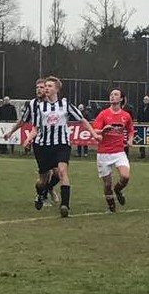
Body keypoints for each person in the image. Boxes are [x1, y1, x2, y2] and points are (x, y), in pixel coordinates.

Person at [22, 76, 100, 217]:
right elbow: (35, 128)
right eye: (45, 86)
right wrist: (28, 139)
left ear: (57, 89)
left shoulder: (66, 105)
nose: (46, 88)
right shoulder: (39, 107)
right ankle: (41, 193)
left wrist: (94, 134)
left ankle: (65, 205)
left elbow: (82, 120)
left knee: (62, 172)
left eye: (50, 86)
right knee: (42, 180)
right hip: (43, 146)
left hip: (61, 144)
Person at [4, 78, 61, 205]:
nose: (40, 90)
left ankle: (49, 188)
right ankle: (42, 194)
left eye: (42, 87)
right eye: (38, 87)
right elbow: (23, 121)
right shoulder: (32, 104)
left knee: (58, 173)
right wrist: (11, 132)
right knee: (44, 176)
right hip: (40, 143)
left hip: (55, 142)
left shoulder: (56, 105)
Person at [93, 88, 134, 212]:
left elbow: (131, 129)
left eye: (115, 94)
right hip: (103, 153)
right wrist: (103, 130)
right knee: (107, 184)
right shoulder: (103, 114)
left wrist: (130, 140)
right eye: (111, 94)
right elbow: (95, 130)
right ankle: (111, 207)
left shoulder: (126, 115)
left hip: (119, 152)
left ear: (121, 98)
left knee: (125, 176)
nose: (112, 96)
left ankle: (118, 190)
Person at [136, 95, 149, 159]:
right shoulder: (140, 108)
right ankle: (142, 154)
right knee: (141, 140)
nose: (146, 101)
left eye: (147, 99)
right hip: (141, 127)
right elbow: (138, 116)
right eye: (144, 99)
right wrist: (139, 122)